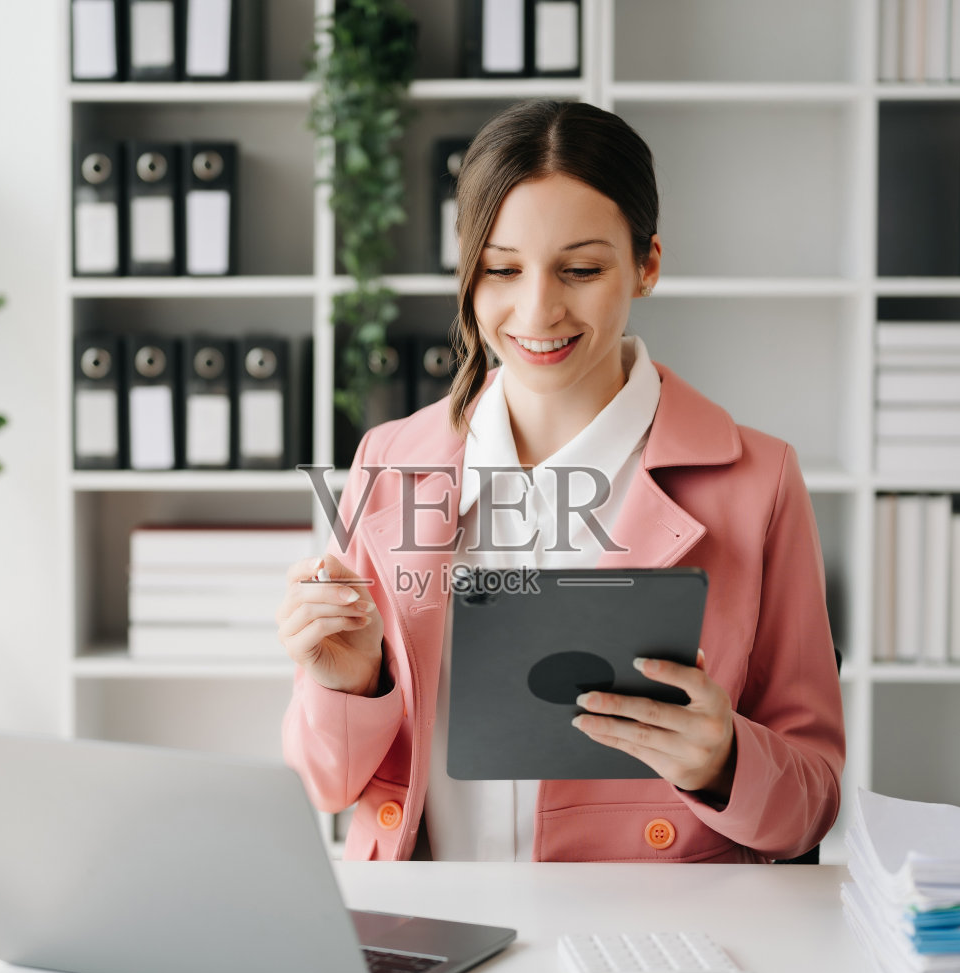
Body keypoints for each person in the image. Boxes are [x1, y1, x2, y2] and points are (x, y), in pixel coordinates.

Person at [277, 99, 844, 863]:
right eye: (502, 269)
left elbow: (811, 805)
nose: (538, 310)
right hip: (430, 918)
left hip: (647, 922)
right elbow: (325, 786)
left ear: (646, 265)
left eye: (580, 269)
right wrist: (351, 687)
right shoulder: (389, 459)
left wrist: (722, 761)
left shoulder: (758, 481)